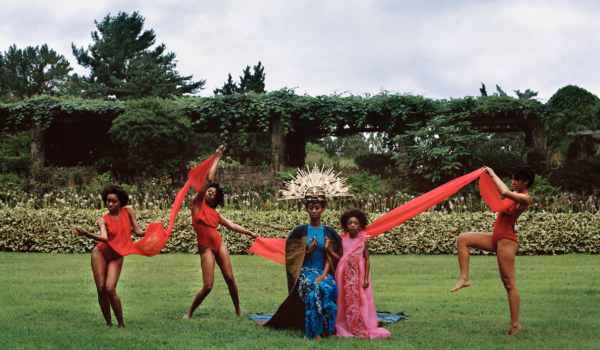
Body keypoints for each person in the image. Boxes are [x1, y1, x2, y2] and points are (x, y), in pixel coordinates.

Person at [451, 165, 535, 336]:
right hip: (496, 238)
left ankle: (515, 325)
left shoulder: (524, 198)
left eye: (516, 179)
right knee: (463, 239)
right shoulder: (515, 195)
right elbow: (500, 196)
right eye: (512, 178)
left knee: (509, 284)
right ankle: (465, 278)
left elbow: (503, 193)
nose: (512, 182)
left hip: (506, 241)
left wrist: (493, 173)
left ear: (525, 182)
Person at [183, 145, 259, 319]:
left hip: (218, 243)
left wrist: (250, 233)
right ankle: (189, 312)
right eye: (208, 191)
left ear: (216, 198)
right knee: (208, 286)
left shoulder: (215, 212)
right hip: (205, 247)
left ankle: (238, 311)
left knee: (230, 278)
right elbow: (208, 181)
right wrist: (216, 158)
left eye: (212, 193)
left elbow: (232, 225)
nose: (209, 192)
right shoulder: (196, 205)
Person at [264, 187, 342, 340]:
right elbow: (292, 257)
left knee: (320, 287)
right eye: (310, 208)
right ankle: (317, 333)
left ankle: (313, 332)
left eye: (317, 208)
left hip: (324, 271)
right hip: (305, 271)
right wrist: (309, 251)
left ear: (323, 209)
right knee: (313, 286)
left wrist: (324, 274)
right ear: (306, 209)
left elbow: (332, 258)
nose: (314, 211)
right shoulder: (299, 231)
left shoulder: (329, 232)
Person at [74, 185, 146, 328]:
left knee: (110, 289)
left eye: (114, 201)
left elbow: (137, 232)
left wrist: (153, 230)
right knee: (101, 288)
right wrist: (87, 234)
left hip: (117, 254)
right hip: (101, 252)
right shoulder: (103, 219)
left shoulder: (129, 211)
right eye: (108, 201)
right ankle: (108, 323)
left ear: (121, 202)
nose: (110, 204)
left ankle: (121, 324)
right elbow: (105, 238)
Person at [328, 208, 391, 339]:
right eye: (350, 223)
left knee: (361, 298)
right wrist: (328, 249)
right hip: (345, 273)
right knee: (344, 298)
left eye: (355, 223)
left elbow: (367, 259)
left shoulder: (363, 241)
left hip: (359, 273)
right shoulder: (343, 241)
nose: (352, 225)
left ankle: (361, 322)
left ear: (360, 225)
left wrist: (366, 278)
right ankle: (344, 324)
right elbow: (340, 258)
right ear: (346, 225)